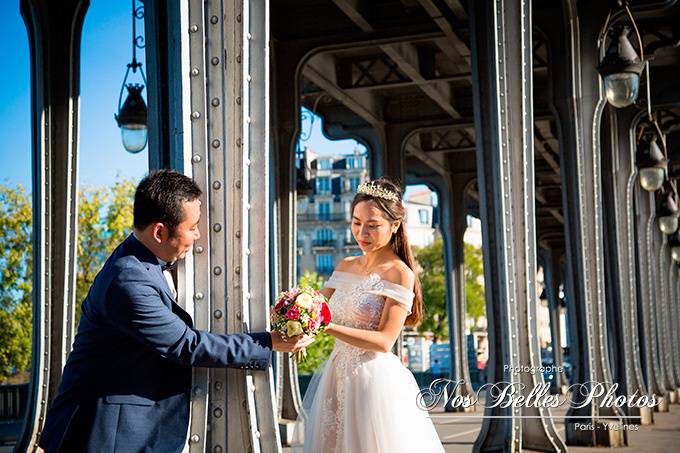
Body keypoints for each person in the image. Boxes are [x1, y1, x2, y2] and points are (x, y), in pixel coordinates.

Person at [38, 170, 313, 453]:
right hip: (104, 433)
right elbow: (185, 344)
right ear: (159, 231)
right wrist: (267, 343)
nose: (198, 235)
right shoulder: (127, 280)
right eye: (192, 227)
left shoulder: (142, 264)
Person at [291, 178, 444, 453]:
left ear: (395, 225)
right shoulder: (345, 265)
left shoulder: (400, 273)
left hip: (372, 382)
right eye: (356, 222)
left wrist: (325, 325)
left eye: (373, 225)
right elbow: (313, 309)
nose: (362, 232)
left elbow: (385, 341)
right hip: (335, 376)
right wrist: (289, 312)